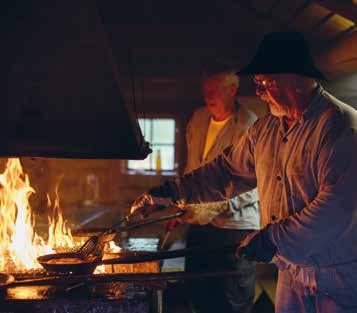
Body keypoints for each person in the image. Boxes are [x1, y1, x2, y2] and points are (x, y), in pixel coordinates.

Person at [131, 31, 357, 313]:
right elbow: (225, 172)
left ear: (295, 80)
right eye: (258, 83)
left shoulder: (340, 128)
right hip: (290, 272)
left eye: (264, 82)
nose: (259, 92)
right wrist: (170, 193)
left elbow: (335, 210)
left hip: (336, 275)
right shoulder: (265, 131)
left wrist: (272, 238)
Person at [181, 70, 259, 313]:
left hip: (235, 230)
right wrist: (184, 202)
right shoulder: (198, 119)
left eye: (214, 91)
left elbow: (258, 182)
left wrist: (218, 206)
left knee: (231, 300)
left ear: (232, 90)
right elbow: (192, 168)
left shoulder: (249, 124)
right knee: (198, 294)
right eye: (206, 91)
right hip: (200, 226)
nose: (208, 96)